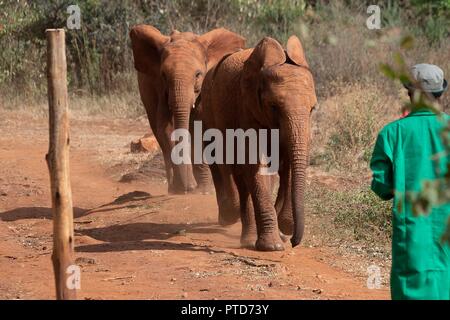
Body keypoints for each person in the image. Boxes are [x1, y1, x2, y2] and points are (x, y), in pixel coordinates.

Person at [370, 63, 449, 300]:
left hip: (412, 237)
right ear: (440, 94)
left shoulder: (392, 133)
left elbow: (381, 187)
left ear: (410, 95)